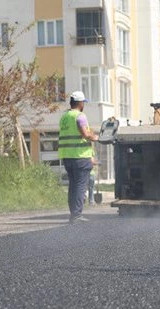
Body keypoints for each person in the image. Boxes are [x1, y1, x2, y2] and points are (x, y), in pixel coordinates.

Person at [58, 91, 99, 224]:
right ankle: (76, 216)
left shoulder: (64, 117)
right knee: (81, 186)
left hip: (67, 157)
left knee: (73, 186)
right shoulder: (80, 116)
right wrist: (96, 137)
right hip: (80, 157)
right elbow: (85, 134)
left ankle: (73, 214)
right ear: (81, 103)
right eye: (83, 103)